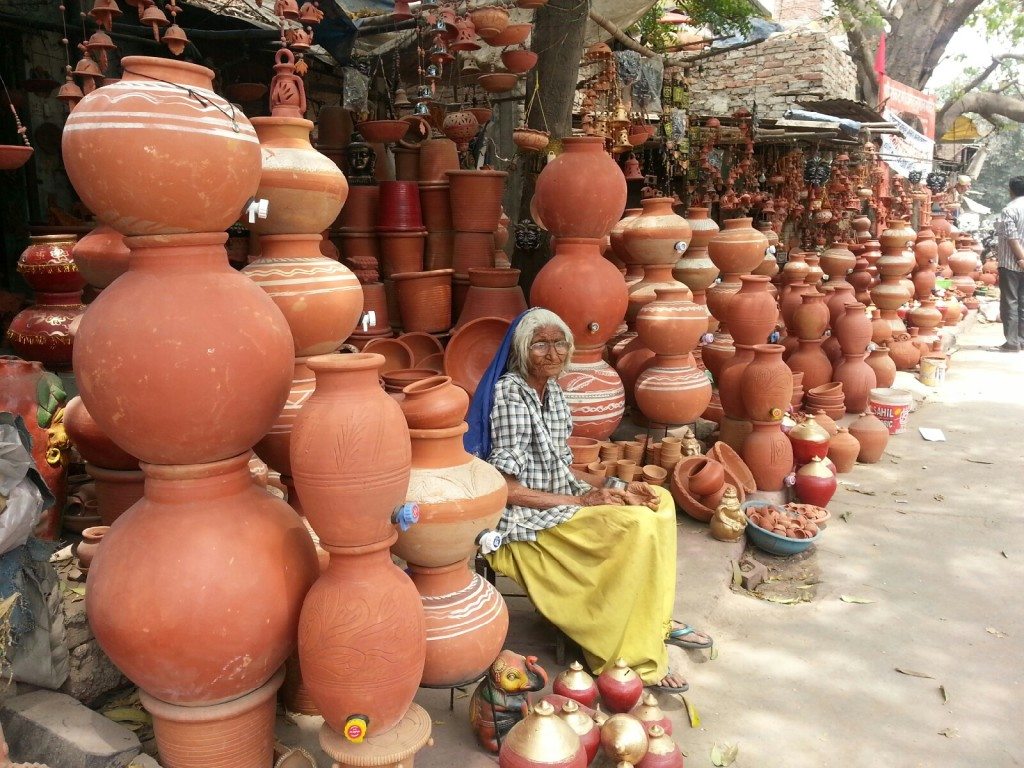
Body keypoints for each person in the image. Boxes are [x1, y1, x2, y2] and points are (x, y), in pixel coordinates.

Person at [465, 308, 711, 693]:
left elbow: (563, 468)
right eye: (540, 344)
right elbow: (507, 489)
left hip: (562, 496)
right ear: (522, 350)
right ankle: (632, 653)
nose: (552, 352)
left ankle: (653, 619)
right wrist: (583, 503)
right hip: (525, 517)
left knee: (658, 502)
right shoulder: (511, 394)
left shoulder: (555, 392)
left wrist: (616, 484)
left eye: (559, 342)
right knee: (636, 525)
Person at [994, 176, 1024, 352]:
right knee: (1023, 302)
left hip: (1011, 263)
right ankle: (1022, 339)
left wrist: (1021, 259)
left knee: (1010, 302)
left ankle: (1012, 342)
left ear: (1011, 190)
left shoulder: (1009, 209)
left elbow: (1012, 238)